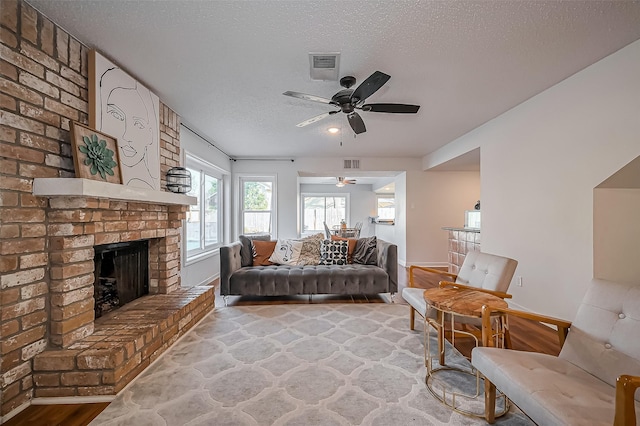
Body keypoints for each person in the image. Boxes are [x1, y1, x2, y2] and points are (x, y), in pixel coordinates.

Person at [98, 66, 160, 190]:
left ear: (150, 135)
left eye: (139, 124)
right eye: (116, 115)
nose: (127, 135)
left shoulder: (143, 184)